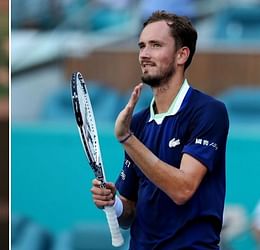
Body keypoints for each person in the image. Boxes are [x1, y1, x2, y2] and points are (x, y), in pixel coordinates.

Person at [91, 10, 229, 249]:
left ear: (181, 55)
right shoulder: (137, 123)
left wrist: (127, 139)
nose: (144, 54)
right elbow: (129, 212)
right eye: (141, 46)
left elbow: (182, 189)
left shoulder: (209, 111)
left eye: (155, 45)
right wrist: (114, 203)